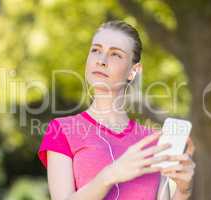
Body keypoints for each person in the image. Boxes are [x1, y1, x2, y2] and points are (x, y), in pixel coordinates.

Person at [37, 20, 196, 200]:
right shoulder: (62, 130)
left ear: (133, 71)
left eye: (115, 55)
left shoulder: (151, 141)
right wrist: (110, 175)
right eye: (96, 50)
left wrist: (184, 191)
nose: (101, 61)